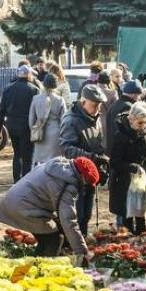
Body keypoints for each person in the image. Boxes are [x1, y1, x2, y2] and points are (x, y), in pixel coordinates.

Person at [0, 156, 99, 263]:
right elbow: (68, 220)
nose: (85, 186)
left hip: (14, 200)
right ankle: (45, 272)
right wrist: (82, 253)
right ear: (82, 177)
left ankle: (33, 268)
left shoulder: (58, 166)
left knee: (48, 238)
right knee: (54, 240)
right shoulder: (67, 185)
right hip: (24, 208)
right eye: (86, 183)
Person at [60, 84, 109, 235]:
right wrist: (92, 158)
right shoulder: (70, 120)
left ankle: (84, 240)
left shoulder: (94, 119)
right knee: (78, 214)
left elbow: (98, 144)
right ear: (83, 102)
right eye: (94, 105)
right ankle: (74, 245)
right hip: (76, 174)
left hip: (90, 175)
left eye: (99, 105)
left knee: (87, 213)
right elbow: (67, 148)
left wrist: (101, 166)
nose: (97, 109)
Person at [108, 101, 146, 234]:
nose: (143, 126)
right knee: (127, 215)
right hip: (124, 180)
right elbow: (114, 161)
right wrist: (131, 167)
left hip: (142, 178)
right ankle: (128, 244)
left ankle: (142, 237)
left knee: (141, 212)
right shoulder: (121, 135)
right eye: (140, 123)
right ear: (131, 118)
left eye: (145, 122)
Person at [0, 64, 40, 182]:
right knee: (28, 156)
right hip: (27, 126)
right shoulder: (34, 89)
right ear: (28, 74)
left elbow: (2, 109)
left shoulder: (8, 89)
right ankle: (27, 181)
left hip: (12, 126)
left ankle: (16, 181)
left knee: (17, 154)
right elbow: (38, 110)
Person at [29, 74, 66, 166]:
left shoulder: (36, 99)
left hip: (40, 132)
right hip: (55, 133)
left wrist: (35, 130)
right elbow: (64, 121)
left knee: (41, 163)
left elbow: (31, 119)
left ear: (44, 84)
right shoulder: (60, 100)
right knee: (54, 163)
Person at [97, 71, 119, 154]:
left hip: (94, 120)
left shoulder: (92, 90)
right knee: (107, 144)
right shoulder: (113, 93)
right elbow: (115, 109)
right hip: (108, 120)